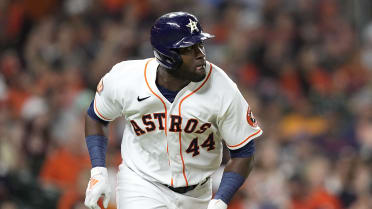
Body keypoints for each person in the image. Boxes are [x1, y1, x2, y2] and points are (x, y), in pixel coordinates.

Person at [83, 11, 263, 209]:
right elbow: (96, 117)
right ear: (168, 56)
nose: (201, 54)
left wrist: (221, 200)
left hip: (198, 192)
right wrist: (98, 170)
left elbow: (244, 151)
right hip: (142, 184)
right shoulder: (126, 78)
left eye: (200, 45)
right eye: (189, 49)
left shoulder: (223, 89)